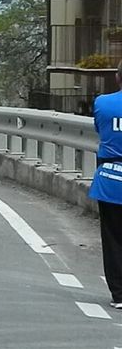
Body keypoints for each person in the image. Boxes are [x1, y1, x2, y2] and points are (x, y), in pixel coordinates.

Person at [89, 60, 122, 310]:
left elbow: (100, 131)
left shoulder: (102, 103)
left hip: (110, 177)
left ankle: (119, 294)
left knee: (112, 238)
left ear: (118, 77)